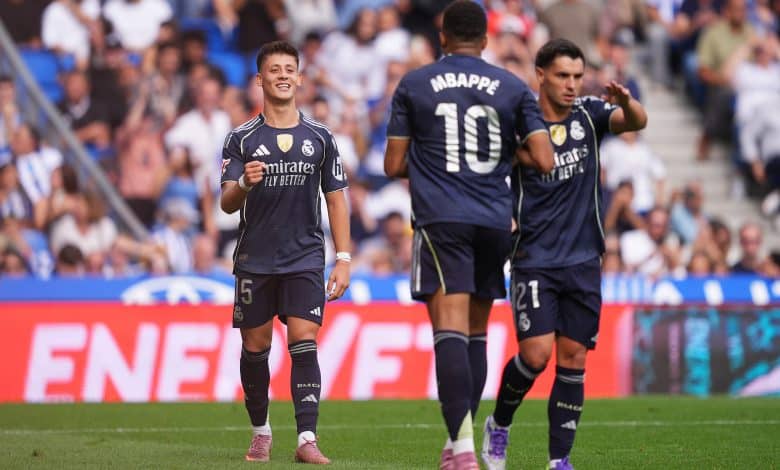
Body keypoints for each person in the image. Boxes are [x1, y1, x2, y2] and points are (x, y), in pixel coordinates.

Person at [384, 2, 554, 469]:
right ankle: (456, 443)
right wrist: (502, 156)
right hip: (495, 221)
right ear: (485, 39)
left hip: (443, 219)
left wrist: (430, 158)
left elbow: (393, 165)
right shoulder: (513, 87)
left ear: (442, 37)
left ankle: (461, 450)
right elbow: (543, 158)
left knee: (450, 330)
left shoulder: (415, 84)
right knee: (477, 333)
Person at [481, 38, 647, 470]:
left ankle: (559, 460)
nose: (572, 85)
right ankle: (499, 424)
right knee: (535, 356)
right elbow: (487, 177)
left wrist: (627, 104)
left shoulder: (590, 116)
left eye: (577, 76)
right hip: (534, 259)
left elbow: (637, 122)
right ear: (541, 75)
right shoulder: (518, 126)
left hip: (584, 260)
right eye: (562, 76)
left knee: (573, 358)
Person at [220, 40, 350, 465]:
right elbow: (226, 202)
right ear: (260, 80)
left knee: (304, 340)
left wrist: (344, 258)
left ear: (299, 77)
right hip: (256, 260)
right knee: (255, 349)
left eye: (288, 69)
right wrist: (244, 184)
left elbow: (336, 198)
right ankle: (261, 431)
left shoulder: (320, 137)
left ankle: (306, 439)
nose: (282, 75)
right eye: (273, 69)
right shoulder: (241, 139)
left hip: (305, 259)